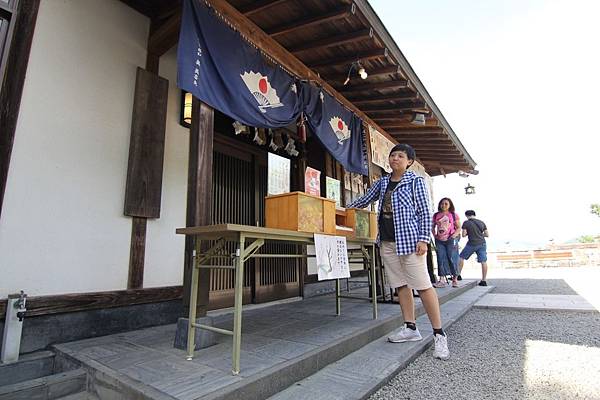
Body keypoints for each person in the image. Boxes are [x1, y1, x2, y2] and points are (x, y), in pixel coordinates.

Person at [347, 143, 449, 360]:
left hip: (410, 241)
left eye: (400, 156)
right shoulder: (382, 182)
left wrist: (424, 239)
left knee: (423, 287)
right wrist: (344, 207)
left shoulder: (416, 182)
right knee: (400, 285)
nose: (395, 159)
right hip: (387, 241)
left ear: (409, 161)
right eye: (392, 155)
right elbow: (365, 200)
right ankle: (410, 328)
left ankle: (439, 334)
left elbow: (424, 212)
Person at [432, 198, 461, 288]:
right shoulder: (436, 215)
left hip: (450, 239)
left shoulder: (453, 215)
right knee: (440, 258)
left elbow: (459, 227)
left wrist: (453, 236)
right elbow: (432, 226)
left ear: (449, 205)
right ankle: (442, 280)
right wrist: (435, 235)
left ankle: (455, 279)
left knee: (453, 257)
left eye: (446, 204)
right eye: (442, 203)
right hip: (439, 240)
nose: (443, 205)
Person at [458, 210, 489, 286]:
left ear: (466, 215)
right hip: (482, 243)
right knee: (483, 261)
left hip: (471, 244)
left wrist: (470, 233)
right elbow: (487, 234)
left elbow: (464, 235)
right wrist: (480, 234)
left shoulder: (466, 223)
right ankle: (484, 280)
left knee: (461, 258)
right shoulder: (481, 222)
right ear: (474, 215)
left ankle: (458, 275)